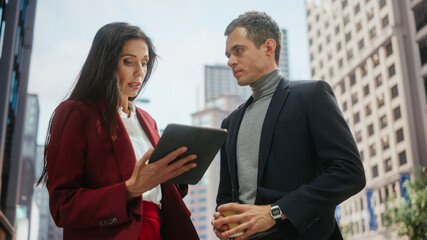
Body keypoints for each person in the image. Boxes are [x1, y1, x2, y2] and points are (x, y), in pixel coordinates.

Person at [37, 22, 199, 240]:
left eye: (144, 62)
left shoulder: (148, 121)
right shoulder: (75, 113)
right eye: (128, 62)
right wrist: (129, 189)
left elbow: (159, 194)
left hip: (157, 230)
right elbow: (62, 206)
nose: (140, 72)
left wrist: (176, 172)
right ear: (105, 63)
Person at [212, 11, 366, 240]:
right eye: (228, 54)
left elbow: (349, 172)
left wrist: (276, 212)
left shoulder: (311, 95)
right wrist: (225, 221)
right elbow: (226, 195)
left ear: (268, 47)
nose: (230, 61)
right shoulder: (230, 123)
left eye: (238, 50)